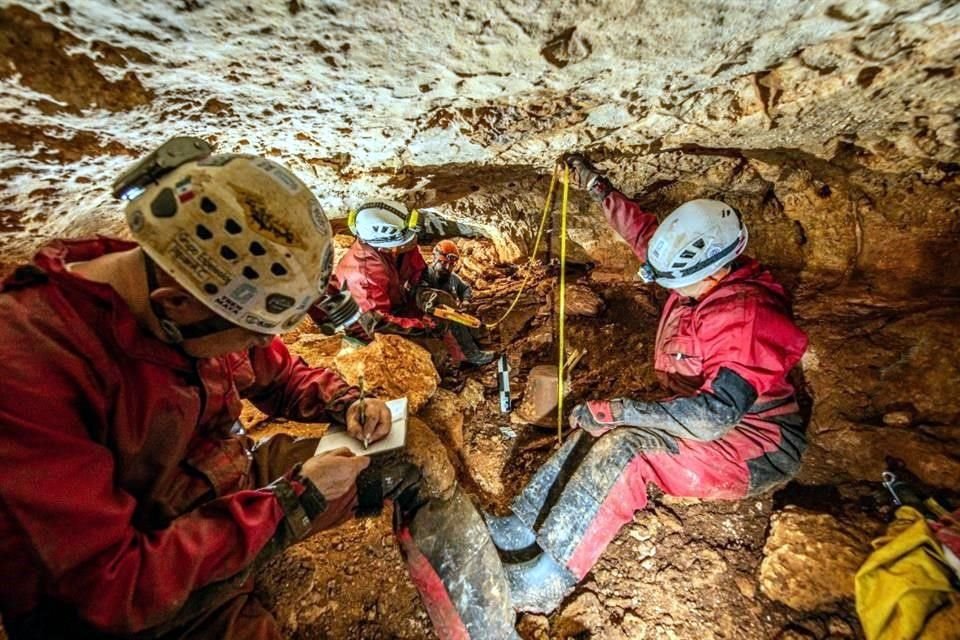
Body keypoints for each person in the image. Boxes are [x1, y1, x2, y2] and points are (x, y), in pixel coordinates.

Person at [0, 140, 514, 640]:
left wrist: (347, 402)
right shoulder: (29, 369)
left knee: (409, 447)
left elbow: (278, 374)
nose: (264, 343)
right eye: (252, 333)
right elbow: (110, 589)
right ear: (175, 305)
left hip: (223, 486)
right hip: (135, 588)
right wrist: (294, 499)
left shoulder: (201, 288)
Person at [483, 153, 810, 613]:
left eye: (682, 284)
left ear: (715, 270)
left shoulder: (746, 315)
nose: (673, 289)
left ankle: (546, 578)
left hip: (757, 445)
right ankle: (520, 528)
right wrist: (598, 188)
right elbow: (644, 235)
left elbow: (714, 416)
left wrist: (620, 411)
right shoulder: (700, 267)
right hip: (710, 418)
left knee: (627, 450)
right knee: (599, 428)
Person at [315, 200, 495, 367]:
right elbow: (377, 323)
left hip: (397, 303)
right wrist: (421, 326)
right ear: (387, 246)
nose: (413, 240)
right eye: (408, 238)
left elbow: (418, 271)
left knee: (444, 303)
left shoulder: (401, 247)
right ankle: (447, 368)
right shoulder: (364, 274)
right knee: (430, 345)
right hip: (373, 326)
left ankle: (466, 353)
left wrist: (422, 293)